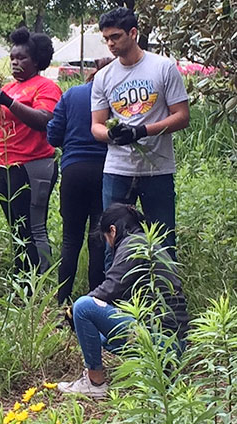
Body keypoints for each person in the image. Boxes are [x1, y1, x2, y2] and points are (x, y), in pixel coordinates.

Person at [57, 204, 189, 398]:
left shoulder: (132, 244)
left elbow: (111, 287)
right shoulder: (151, 244)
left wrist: (74, 310)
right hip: (173, 342)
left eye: (106, 238)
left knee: (84, 307)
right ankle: (154, 367)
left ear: (113, 230)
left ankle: (94, 382)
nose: (109, 244)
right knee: (98, 333)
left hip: (161, 342)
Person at [90, 8, 190, 261]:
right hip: (117, 168)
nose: (110, 44)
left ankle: (167, 297)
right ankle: (115, 298)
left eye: (116, 36)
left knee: (163, 239)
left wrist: (143, 131)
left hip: (157, 168)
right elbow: (96, 125)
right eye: (107, 39)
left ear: (133, 33)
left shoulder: (163, 67)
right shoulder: (104, 76)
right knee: (113, 241)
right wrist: (113, 135)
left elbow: (181, 116)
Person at [0, 27, 61, 273]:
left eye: (22, 58)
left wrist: (8, 102)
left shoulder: (45, 87)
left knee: (33, 226)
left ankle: (41, 280)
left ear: (36, 60)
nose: (15, 63)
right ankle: (22, 278)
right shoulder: (7, 88)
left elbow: (44, 119)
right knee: (16, 227)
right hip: (5, 165)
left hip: (33, 164)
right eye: (12, 58)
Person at [46, 58, 113, 304]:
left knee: (70, 239)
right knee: (98, 239)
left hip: (73, 171)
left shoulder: (72, 94)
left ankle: (62, 299)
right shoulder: (116, 98)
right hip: (106, 170)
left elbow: (53, 135)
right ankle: (95, 300)